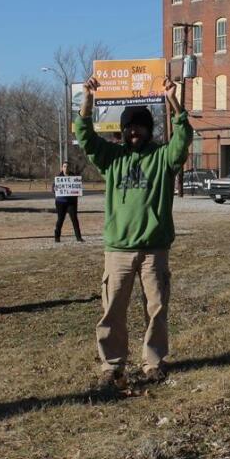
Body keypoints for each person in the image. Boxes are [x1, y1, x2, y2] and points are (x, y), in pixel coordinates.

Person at [75, 77, 192, 389]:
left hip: (154, 249)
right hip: (118, 250)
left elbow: (183, 139)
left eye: (140, 126)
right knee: (112, 311)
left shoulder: (162, 158)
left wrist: (173, 100)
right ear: (123, 130)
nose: (134, 131)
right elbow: (85, 137)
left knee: (156, 309)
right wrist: (87, 100)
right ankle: (111, 366)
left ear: (148, 129)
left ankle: (153, 363)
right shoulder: (112, 158)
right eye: (129, 127)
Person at [52, 161, 84, 243]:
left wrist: (78, 190)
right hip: (60, 202)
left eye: (67, 166)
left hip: (71, 202)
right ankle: (57, 237)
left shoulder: (74, 177)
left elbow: (77, 187)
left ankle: (78, 237)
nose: (66, 168)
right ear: (62, 168)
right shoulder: (58, 178)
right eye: (64, 166)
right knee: (60, 220)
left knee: (74, 219)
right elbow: (53, 189)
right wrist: (54, 189)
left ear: (69, 168)